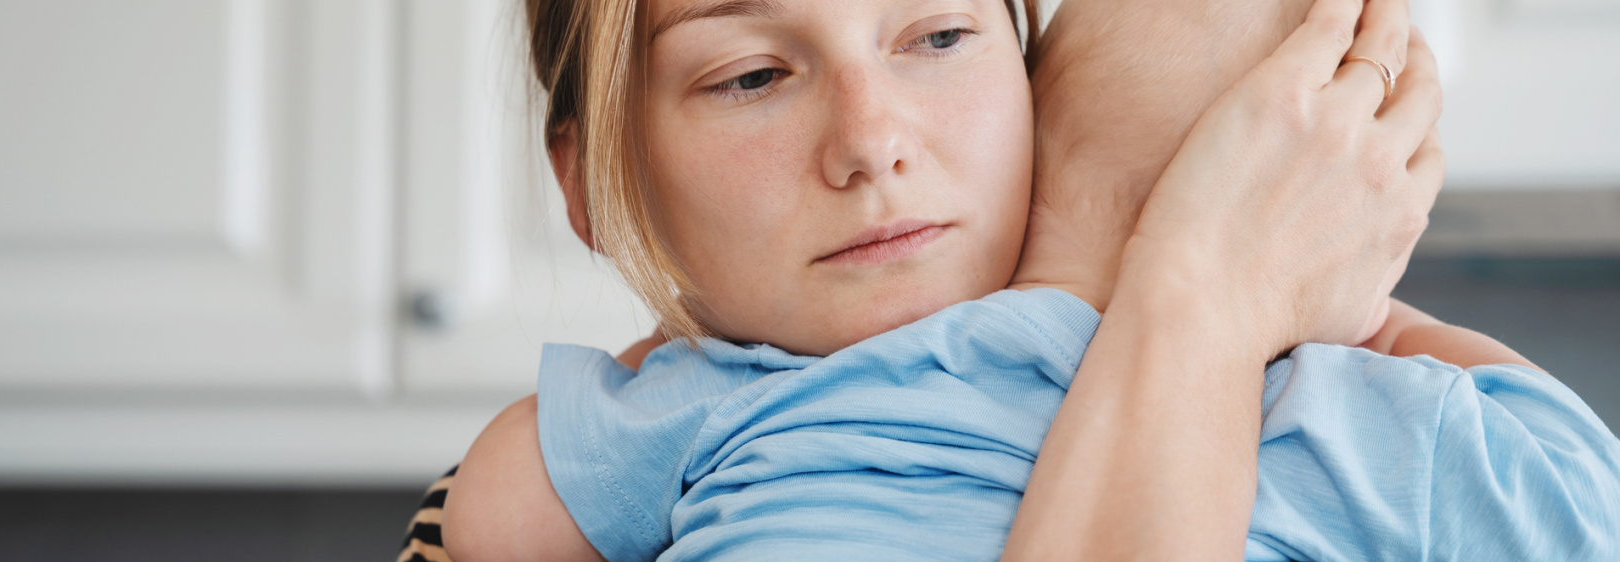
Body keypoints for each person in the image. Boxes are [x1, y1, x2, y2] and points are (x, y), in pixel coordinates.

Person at [410, 0, 1620, 560]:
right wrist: (1362, 318)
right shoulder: (1338, 414)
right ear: (589, 180)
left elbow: (495, 518)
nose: (873, 141)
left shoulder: (701, 406)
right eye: (752, 76)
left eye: (939, 37)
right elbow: (1580, 506)